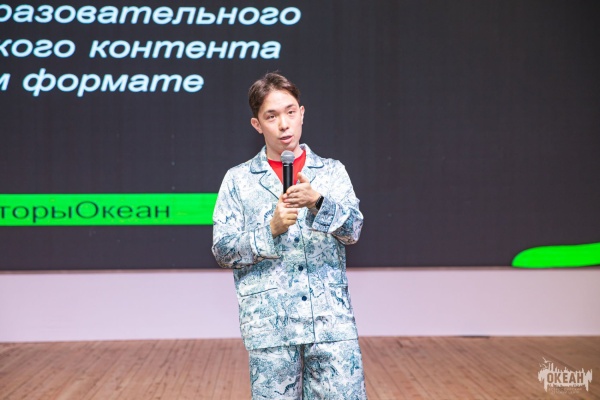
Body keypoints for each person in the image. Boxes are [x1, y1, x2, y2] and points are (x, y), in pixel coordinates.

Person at [212, 72, 367, 399]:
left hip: (330, 324)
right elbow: (223, 250)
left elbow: (353, 230)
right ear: (257, 124)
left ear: (302, 113)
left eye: (290, 112)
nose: (284, 124)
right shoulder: (238, 180)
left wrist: (318, 202)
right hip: (271, 328)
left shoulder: (331, 172)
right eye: (272, 116)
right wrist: (269, 230)